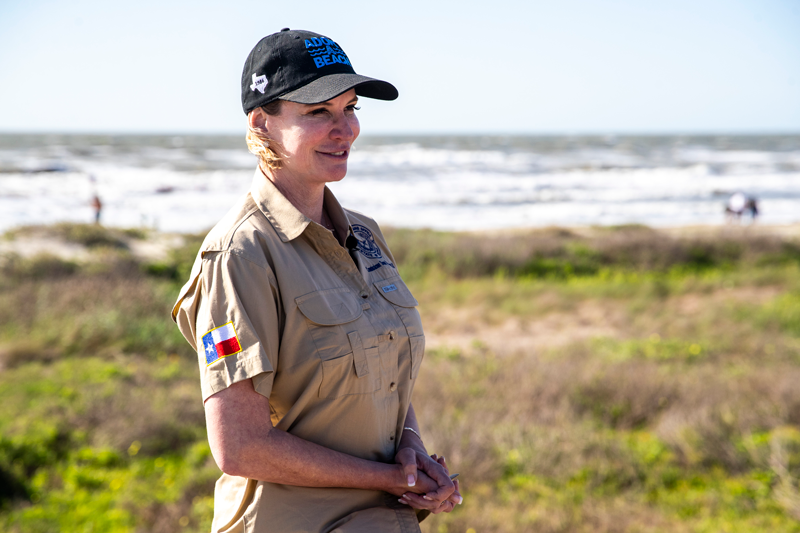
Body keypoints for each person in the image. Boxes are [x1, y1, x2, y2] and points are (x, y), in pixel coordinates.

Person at [172, 29, 461, 533]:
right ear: (263, 124)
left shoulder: (364, 234)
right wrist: (388, 478)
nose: (344, 129)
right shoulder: (240, 254)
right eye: (317, 113)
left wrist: (411, 449)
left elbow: (384, 373)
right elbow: (239, 447)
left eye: (350, 109)